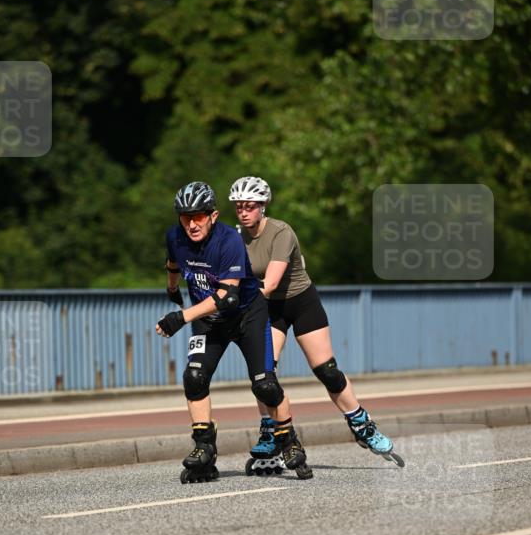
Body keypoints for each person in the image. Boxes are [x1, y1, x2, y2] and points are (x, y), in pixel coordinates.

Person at [228, 175, 400, 464]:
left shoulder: (281, 232)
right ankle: (272, 433)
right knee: (263, 374)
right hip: (269, 309)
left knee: (327, 371)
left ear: (263, 205)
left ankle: (362, 424)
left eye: (250, 206)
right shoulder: (235, 239)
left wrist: (234, 298)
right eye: (239, 207)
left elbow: (270, 283)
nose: (244, 212)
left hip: (300, 302)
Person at [156, 180, 313, 482]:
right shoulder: (175, 236)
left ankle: (288, 439)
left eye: (198, 216)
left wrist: (181, 317)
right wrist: (172, 288)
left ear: (213, 216)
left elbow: (227, 296)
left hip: (246, 316)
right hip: (209, 320)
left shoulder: (229, 240)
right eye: (186, 217)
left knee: (265, 385)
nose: (192, 224)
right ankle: (204, 448)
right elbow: (173, 262)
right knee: (194, 377)